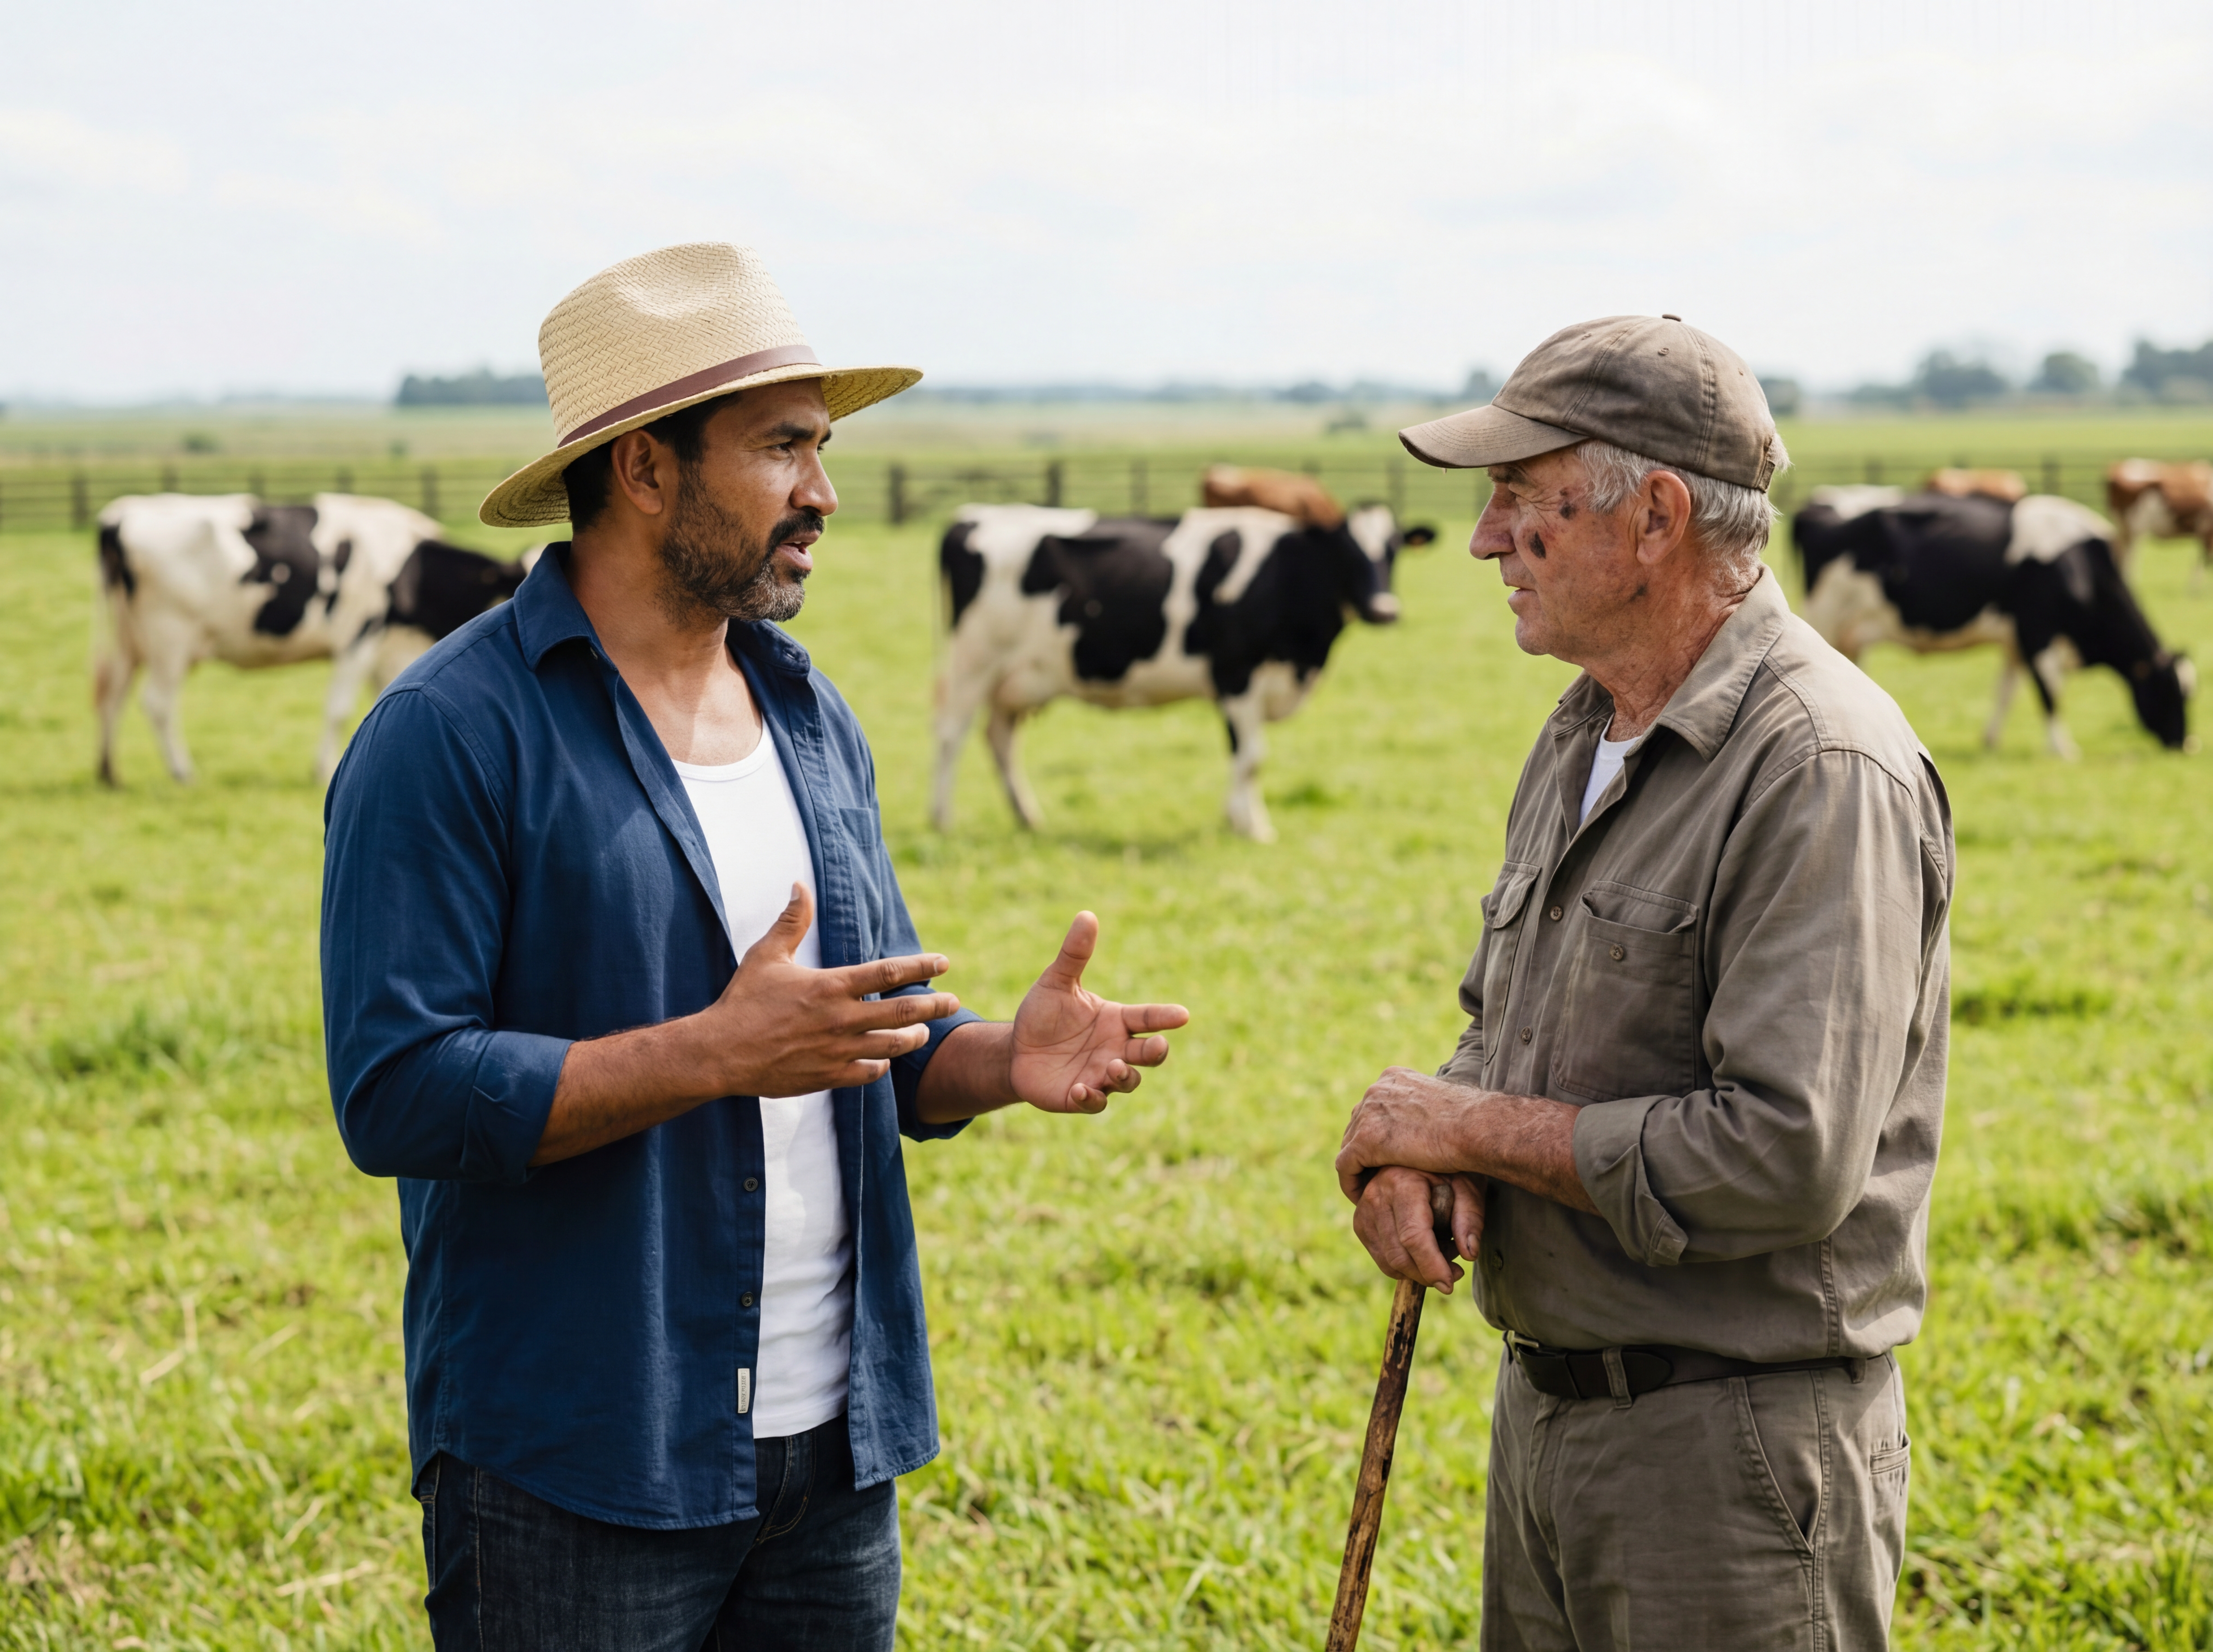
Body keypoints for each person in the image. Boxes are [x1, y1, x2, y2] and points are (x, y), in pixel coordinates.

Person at [321, 242, 1190, 1652]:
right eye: (784, 447)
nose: (825, 493)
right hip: (579, 1461)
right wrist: (714, 1055)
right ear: (647, 469)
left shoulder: (807, 712)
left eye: (825, 449)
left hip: (832, 1460)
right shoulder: (449, 733)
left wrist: (991, 1062)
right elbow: (397, 1092)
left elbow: (867, 1039)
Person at [1333, 315, 1952, 1649]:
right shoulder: (1586, 730)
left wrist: (1467, 1128)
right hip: (1553, 1422)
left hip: (1732, 1462)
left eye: (1519, 497)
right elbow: (1506, 1044)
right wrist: (1425, 1159)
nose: (1489, 538)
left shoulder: (1820, 766)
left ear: (1656, 516)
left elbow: (1785, 1157)